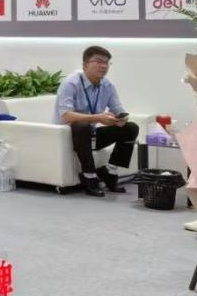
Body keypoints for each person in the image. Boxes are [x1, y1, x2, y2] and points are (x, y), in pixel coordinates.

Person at [53, 45, 139, 197]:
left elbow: (118, 109)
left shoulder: (107, 85)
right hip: (67, 137)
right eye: (99, 62)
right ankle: (89, 177)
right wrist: (98, 117)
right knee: (82, 126)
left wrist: (120, 119)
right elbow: (66, 116)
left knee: (131, 128)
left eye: (106, 63)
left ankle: (110, 173)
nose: (104, 66)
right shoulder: (71, 83)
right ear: (85, 65)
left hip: (90, 135)